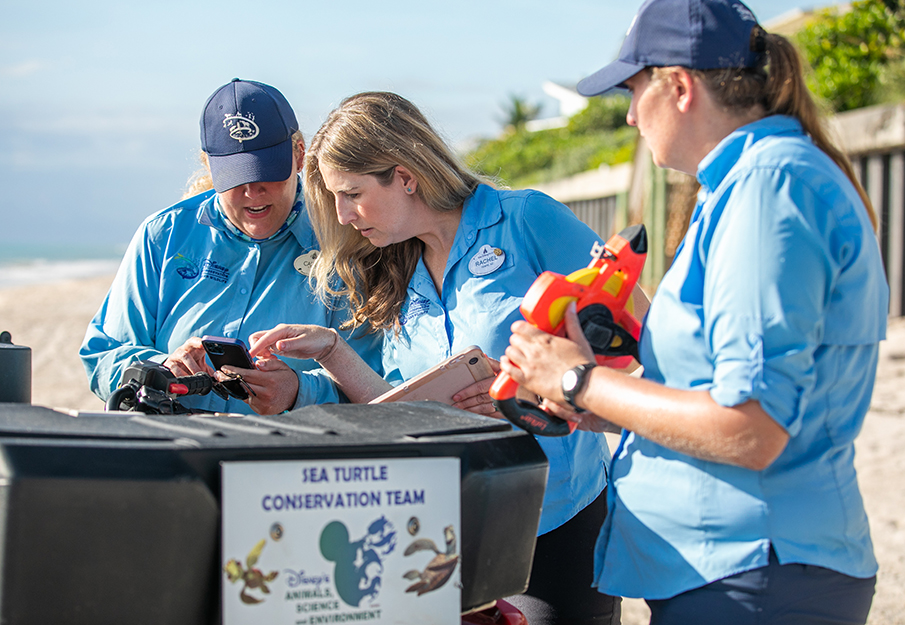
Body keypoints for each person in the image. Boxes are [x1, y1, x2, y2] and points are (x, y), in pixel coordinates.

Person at [499, 1, 889, 623]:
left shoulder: (768, 191)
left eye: (632, 91)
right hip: (738, 572)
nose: (629, 115)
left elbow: (751, 428)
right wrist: (596, 405)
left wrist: (578, 378)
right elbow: (718, 400)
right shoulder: (750, 187)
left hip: (753, 576)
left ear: (677, 86)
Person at [249, 91, 621, 624]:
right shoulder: (394, 269)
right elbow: (400, 410)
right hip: (442, 530)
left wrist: (534, 390)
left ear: (405, 175)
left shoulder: (527, 220)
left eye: (351, 193)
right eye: (333, 198)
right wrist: (333, 351)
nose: (341, 215)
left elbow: (632, 340)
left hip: (556, 518)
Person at [80, 79, 379, 414]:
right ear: (209, 164)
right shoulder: (162, 235)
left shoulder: (350, 243)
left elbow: (376, 386)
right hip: (171, 446)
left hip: (287, 453)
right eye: (236, 178)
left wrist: (299, 392)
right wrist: (163, 368)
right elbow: (102, 353)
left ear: (299, 155)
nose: (253, 192)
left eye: (266, 172)